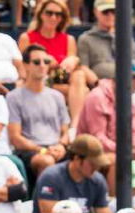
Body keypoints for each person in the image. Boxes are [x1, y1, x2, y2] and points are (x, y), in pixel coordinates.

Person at [17, 0, 87, 128]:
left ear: (62, 18)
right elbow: (23, 69)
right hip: (38, 81)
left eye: (58, 14)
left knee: (79, 75)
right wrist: (46, 62)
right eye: (49, 13)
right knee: (83, 91)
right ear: (41, 15)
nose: (53, 17)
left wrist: (72, 60)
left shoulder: (69, 39)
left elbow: (70, 72)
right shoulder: (26, 38)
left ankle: (75, 127)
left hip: (62, 79)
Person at [7, 44, 71, 180]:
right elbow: (15, 138)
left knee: (89, 157)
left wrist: (61, 146)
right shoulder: (13, 97)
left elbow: (65, 131)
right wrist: (42, 150)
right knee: (46, 161)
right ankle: (45, 200)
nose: (42, 65)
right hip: (30, 151)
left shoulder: (57, 96)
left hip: (57, 147)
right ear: (25, 65)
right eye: (36, 62)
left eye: (46, 61)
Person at [32, 134, 114, 213]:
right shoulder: (51, 177)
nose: (96, 168)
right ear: (77, 159)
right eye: (92, 163)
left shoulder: (98, 181)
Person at [78, 63, 135, 156]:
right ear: (120, 77)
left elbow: (133, 133)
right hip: (91, 154)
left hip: (119, 151)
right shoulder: (97, 97)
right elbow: (98, 138)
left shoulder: (128, 100)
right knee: (117, 163)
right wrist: (125, 151)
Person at [75, 0, 116, 85]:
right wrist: (98, 84)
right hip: (100, 87)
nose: (110, 15)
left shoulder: (125, 37)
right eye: (105, 12)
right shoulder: (86, 39)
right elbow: (83, 67)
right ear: (95, 12)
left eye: (113, 11)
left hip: (128, 86)